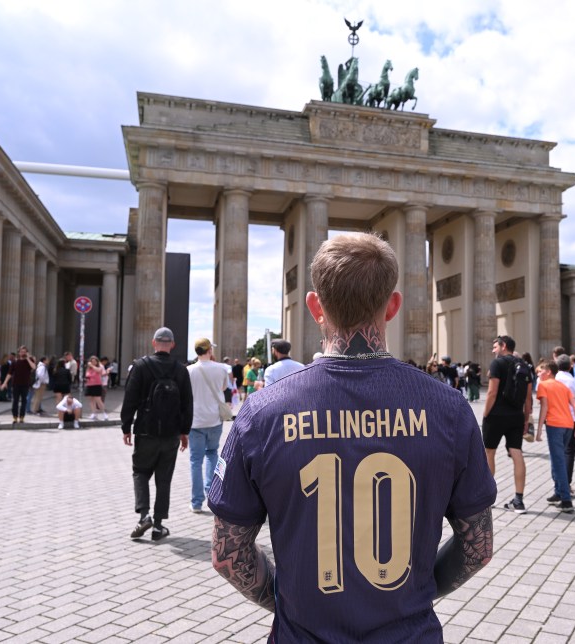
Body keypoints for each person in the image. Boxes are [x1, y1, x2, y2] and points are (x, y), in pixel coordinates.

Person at [207, 233, 496, 641]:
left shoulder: (262, 413)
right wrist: (417, 593)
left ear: (314, 306)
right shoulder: (449, 409)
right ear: (393, 306)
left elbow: (227, 555)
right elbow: (477, 548)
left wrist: (286, 600)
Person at [120, 327, 193, 541]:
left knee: (140, 472)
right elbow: (187, 404)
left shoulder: (141, 366)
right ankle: (159, 526)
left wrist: (126, 427)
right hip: (171, 433)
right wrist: (184, 432)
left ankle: (144, 516)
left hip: (145, 430)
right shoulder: (181, 370)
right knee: (164, 478)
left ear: (153, 343)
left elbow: (130, 399)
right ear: (172, 345)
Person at [482, 335, 532, 513]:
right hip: (516, 416)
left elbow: (492, 392)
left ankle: (487, 498)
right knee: (516, 453)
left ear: (503, 346)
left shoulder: (497, 364)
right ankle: (519, 500)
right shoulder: (524, 365)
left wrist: (486, 414)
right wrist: (526, 419)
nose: (493, 350)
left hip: (496, 415)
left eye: (495, 347)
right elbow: (528, 398)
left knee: (489, 453)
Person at [186, 338, 230, 513]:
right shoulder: (221, 368)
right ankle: (212, 494)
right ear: (209, 350)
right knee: (212, 454)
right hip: (214, 419)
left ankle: (196, 502)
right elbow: (224, 387)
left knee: (195, 461)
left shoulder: (188, 370)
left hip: (195, 420)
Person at [534, 360, 575, 513]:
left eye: (540, 371)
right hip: (569, 424)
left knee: (558, 461)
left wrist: (539, 428)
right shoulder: (563, 386)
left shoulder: (543, 385)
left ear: (548, 372)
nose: (538, 374)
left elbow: (545, 407)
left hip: (555, 425)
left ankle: (566, 500)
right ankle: (558, 492)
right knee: (557, 459)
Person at [555, 355, 575, 492]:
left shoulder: (553, 380)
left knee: (556, 452)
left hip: (555, 420)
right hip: (571, 420)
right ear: (570, 366)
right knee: (569, 453)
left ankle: (558, 483)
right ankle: (566, 483)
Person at [0, 346, 35, 424]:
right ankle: (15, 417)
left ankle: (22, 417)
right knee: (15, 401)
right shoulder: (15, 362)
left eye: (25, 351)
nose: (23, 353)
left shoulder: (29, 360)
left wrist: (28, 358)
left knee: (24, 401)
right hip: (16, 384)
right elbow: (9, 373)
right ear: (19, 353)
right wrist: (5, 383)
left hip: (25, 384)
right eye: (21, 351)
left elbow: (34, 367)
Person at [85, 356, 108, 420]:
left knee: (98, 400)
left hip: (97, 385)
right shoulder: (89, 368)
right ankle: (94, 413)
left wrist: (92, 366)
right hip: (89, 385)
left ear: (97, 362)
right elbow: (87, 375)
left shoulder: (99, 367)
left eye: (94, 361)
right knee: (91, 400)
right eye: (92, 361)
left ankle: (104, 414)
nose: (93, 362)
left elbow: (98, 371)